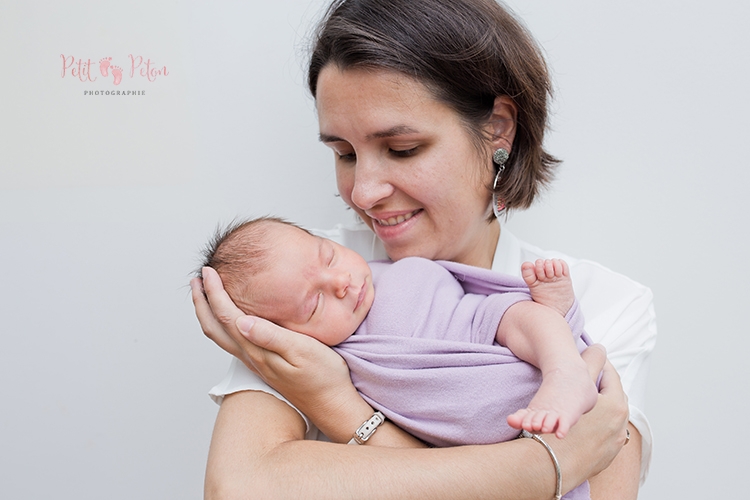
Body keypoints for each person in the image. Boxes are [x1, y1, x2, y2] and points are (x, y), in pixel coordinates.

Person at [190, 0, 656, 498]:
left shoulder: (604, 303)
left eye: (402, 149)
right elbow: (239, 486)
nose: (363, 192)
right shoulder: (296, 284)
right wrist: (540, 469)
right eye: (344, 154)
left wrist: (337, 406)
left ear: (498, 128)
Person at [200, 216, 599, 445]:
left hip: (481, 327)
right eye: (314, 303)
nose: (339, 282)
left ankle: (563, 366)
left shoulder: (392, 269)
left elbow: (470, 299)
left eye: (329, 255)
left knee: (518, 314)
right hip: (482, 434)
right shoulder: (324, 362)